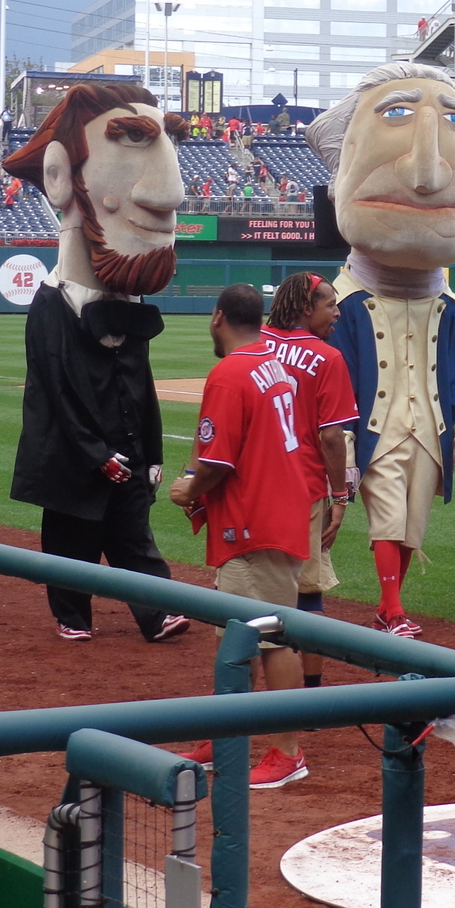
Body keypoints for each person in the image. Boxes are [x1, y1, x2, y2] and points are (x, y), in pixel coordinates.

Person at [305, 62, 455, 639]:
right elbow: (338, 376)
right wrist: (339, 449)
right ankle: (390, 608)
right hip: (373, 427)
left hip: (428, 427)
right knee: (387, 514)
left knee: (412, 521)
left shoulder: (450, 306)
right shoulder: (346, 302)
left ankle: (394, 600)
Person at [3, 83, 191, 645]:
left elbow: (142, 386)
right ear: (61, 177)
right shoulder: (48, 308)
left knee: (134, 536)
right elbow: (56, 393)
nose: (171, 193)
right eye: (133, 141)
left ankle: (155, 613)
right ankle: (71, 614)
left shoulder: (128, 308)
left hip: (128, 449)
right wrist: (94, 454)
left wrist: (151, 453)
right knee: (72, 537)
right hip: (73, 457)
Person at [170, 284, 313, 789]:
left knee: (272, 639)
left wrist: (189, 491)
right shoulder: (273, 362)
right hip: (275, 510)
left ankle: (287, 751)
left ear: (217, 317)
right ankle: (225, 733)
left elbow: (216, 461)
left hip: (257, 522)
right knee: (236, 635)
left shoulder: (231, 372)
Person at [261, 272, 358, 689]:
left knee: (248, 593)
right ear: (306, 307)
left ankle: (236, 698)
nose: (337, 312)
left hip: (252, 490)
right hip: (304, 489)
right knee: (308, 596)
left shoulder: (253, 343)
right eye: (330, 304)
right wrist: (341, 495)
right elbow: (332, 437)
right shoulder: (328, 357)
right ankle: (311, 693)